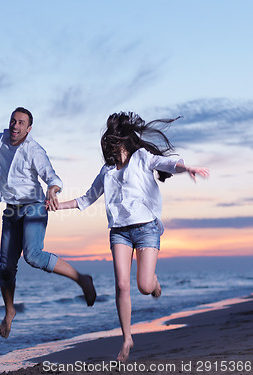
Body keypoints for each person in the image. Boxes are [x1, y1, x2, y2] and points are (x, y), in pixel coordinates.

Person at [52, 112, 209, 361]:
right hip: (119, 232)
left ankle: (153, 280)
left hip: (147, 227)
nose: (110, 143)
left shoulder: (141, 158)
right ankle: (127, 338)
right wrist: (56, 206)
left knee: (144, 286)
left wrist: (186, 167)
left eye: (114, 138)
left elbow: (166, 164)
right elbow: (86, 198)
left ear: (123, 139)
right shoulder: (107, 171)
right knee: (122, 285)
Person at [0, 108, 97, 339]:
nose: (15, 126)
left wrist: (52, 190)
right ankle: (10, 311)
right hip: (11, 210)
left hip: (35, 205)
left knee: (33, 255)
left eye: (21, 123)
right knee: (5, 269)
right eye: (13, 121)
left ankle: (81, 279)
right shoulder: (0, 140)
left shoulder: (34, 151)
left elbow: (52, 176)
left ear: (29, 128)